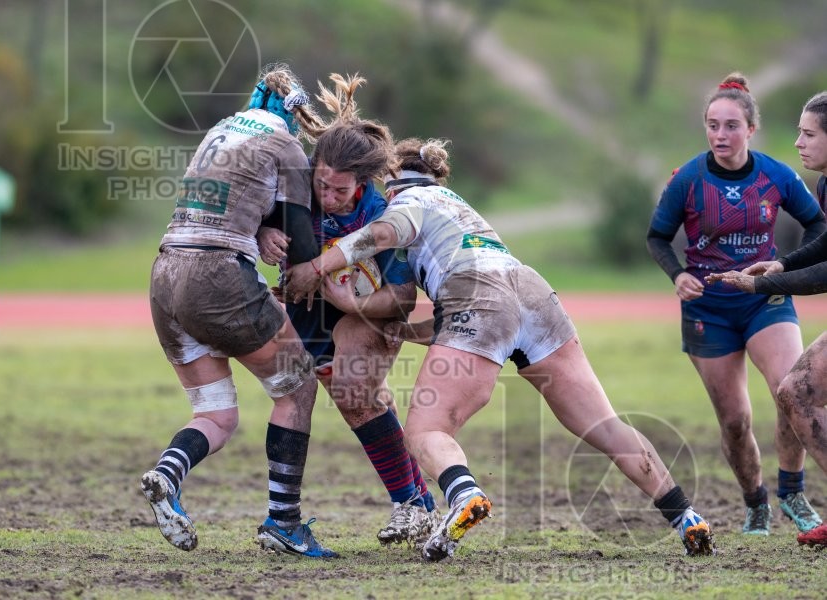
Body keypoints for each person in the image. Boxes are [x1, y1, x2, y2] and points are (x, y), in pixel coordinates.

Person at [285, 137, 716, 561]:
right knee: (604, 425)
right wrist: (404, 331)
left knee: (424, 432)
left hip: (478, 295)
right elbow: (466, 324)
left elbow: (386, 233)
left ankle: (464, 494)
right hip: (531, 291)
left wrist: (319, 267)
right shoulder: (458, 206)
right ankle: (686, 516)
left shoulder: (408, 201)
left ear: (393, 181)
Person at [140, 64, 339, 558]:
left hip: (165, 275)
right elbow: (302, 238)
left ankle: (167, 474)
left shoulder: (221, 129)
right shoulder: (285, 144)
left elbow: (227, 200)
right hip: (217, 276)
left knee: (216, 413)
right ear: (293, 114)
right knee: (298, 385)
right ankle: (284, 522)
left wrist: (258, 231)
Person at [257, 74, 439, 545]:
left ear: (362, 184)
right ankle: (423, 506)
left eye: (340, 191)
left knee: (355, 390)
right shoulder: (295, 184)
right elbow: (253, 214)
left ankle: (408, 505)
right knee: (358, 403)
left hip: (367, 313)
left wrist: (348, 301)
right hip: (305, 314)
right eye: (322, 186)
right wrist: (265, 236)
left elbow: (402, 299)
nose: (328, 197)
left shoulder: (381, 213)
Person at [645, 73, 825, 537]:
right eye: (712, 125)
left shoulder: (777, 175)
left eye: (730, 126)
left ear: (751, 129)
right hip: (709, 310)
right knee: (735, 421)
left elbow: (819, 229)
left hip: (765, 299)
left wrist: (780, 269)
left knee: (790, 391)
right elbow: (658, 237)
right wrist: (678, 274)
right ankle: (756, 504)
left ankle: (792, 491)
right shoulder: (687, 179)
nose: (720, 135)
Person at [706, 90, 827, 548]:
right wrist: (782, 265)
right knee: (795, 391)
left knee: (795, 390)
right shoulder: (826, 185)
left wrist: (763, 286)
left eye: (809, 133)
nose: (798, 142)